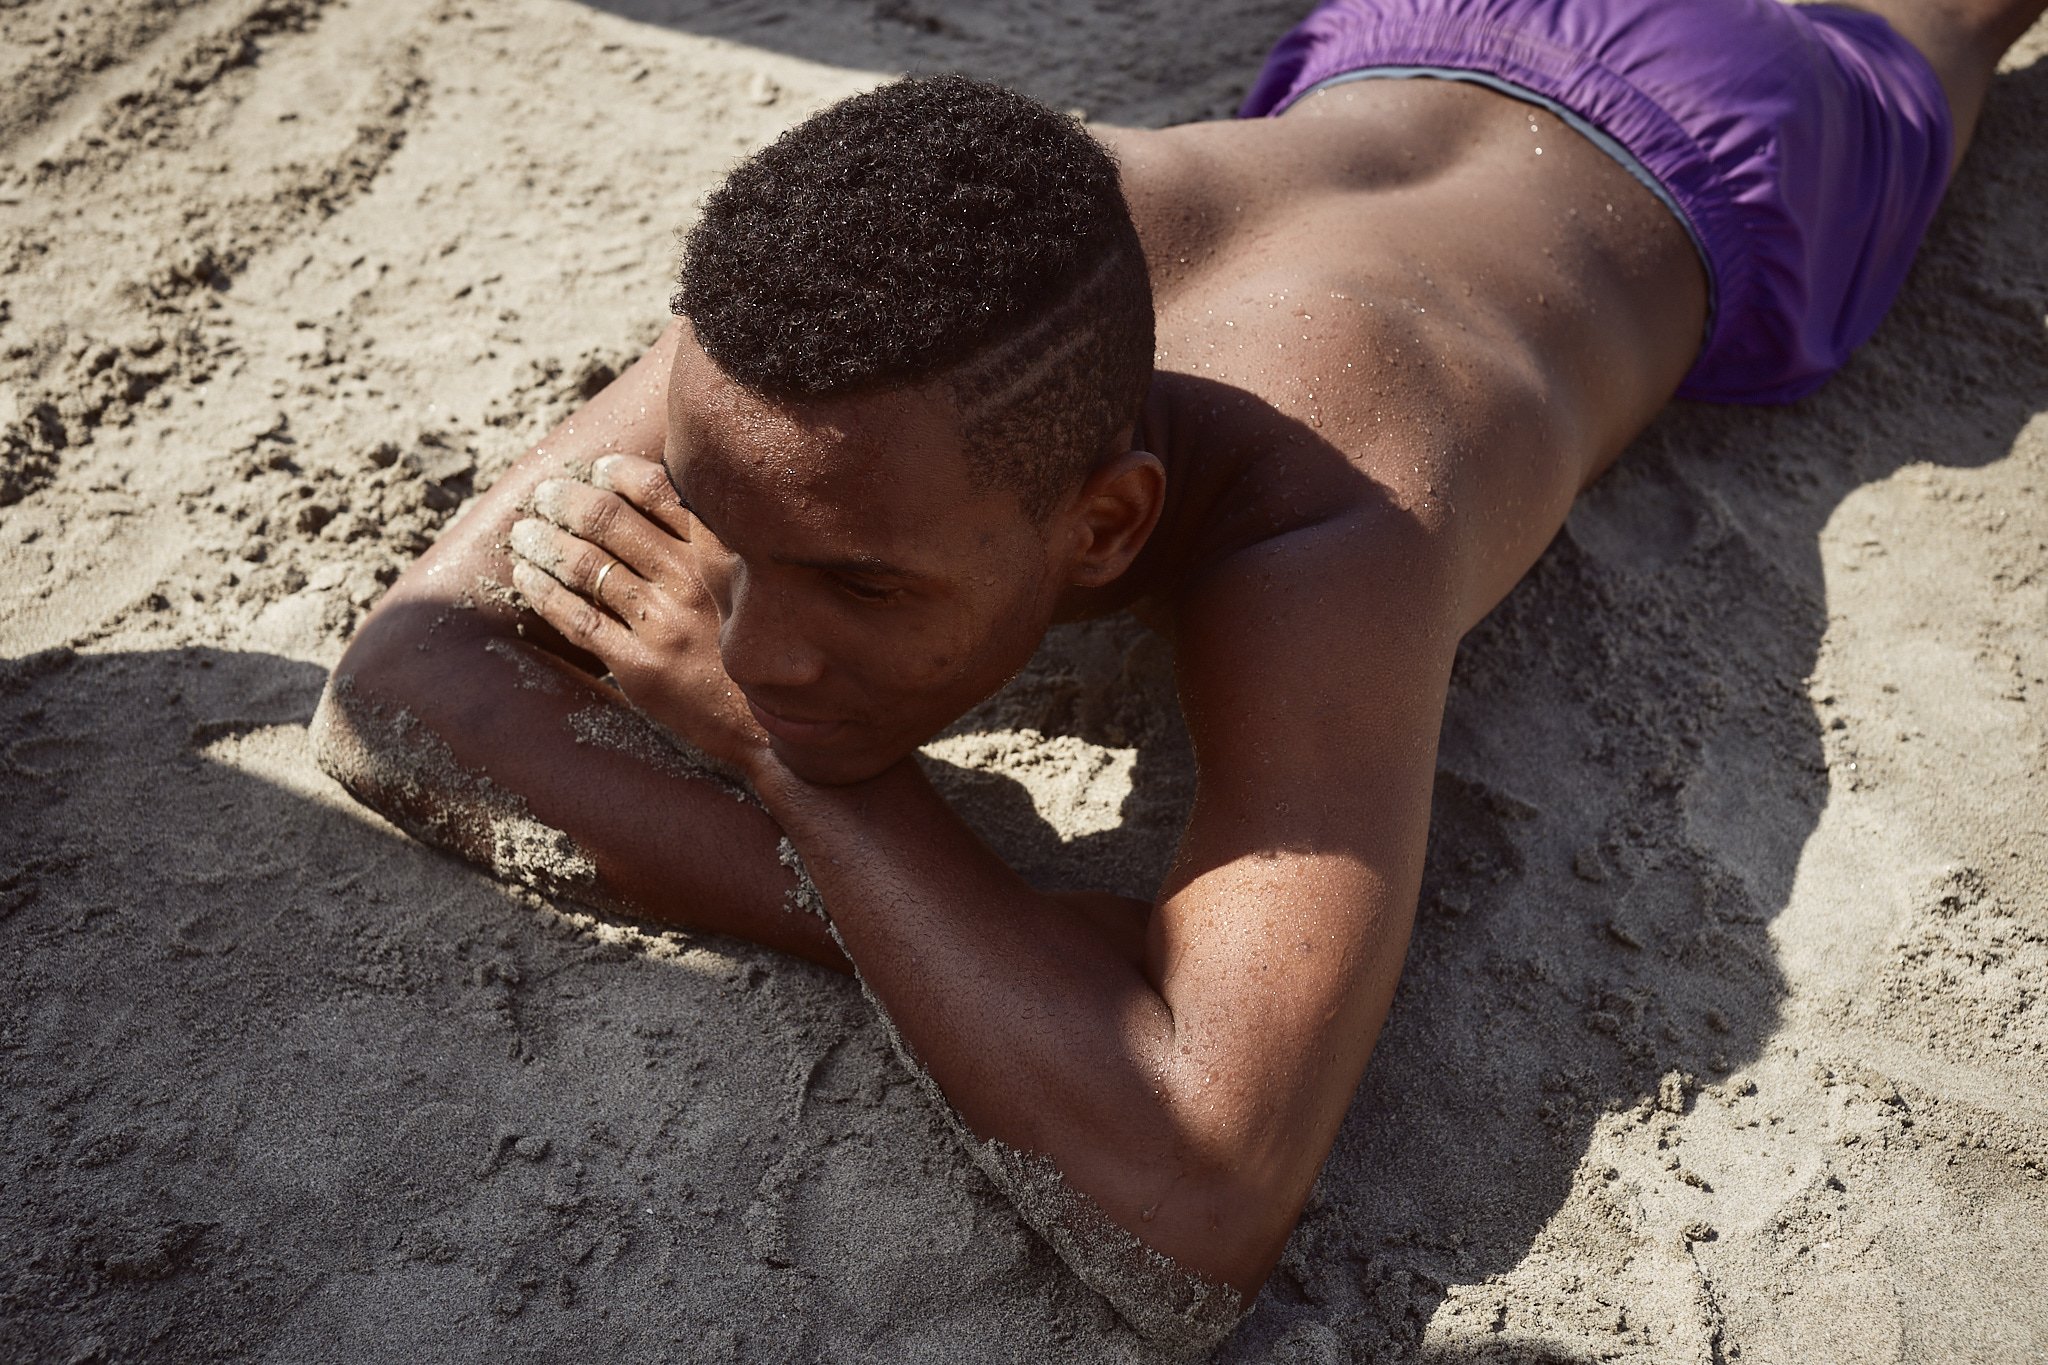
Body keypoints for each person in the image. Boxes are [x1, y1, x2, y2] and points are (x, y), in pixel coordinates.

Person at [312, 0, 2045, 1345]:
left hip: (1739, 142)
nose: (751, 640)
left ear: (1108, 522)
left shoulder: (1339, 515)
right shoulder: (916, 309)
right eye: (718, 530)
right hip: (1403, 42)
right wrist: (978, 920)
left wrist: (789, 767)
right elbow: (399, 685)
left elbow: (1196, 1194)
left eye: (852, 580)